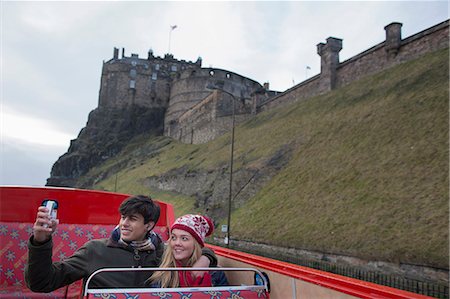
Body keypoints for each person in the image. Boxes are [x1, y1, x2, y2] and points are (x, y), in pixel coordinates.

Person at [25, 195, 216, 292]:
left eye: (132, 219)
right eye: (123, 217)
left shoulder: (163, 253)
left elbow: (194, 246)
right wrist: (41, 241)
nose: (124, 223)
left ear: (149, 225)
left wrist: (207, 257)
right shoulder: (95, 250)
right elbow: (42, 282)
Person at [148, 214, 228, 288]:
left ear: (196, 244)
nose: (177, 243)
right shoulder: (163, 275)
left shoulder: (215, 274)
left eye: (184, 238)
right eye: (173, 237)